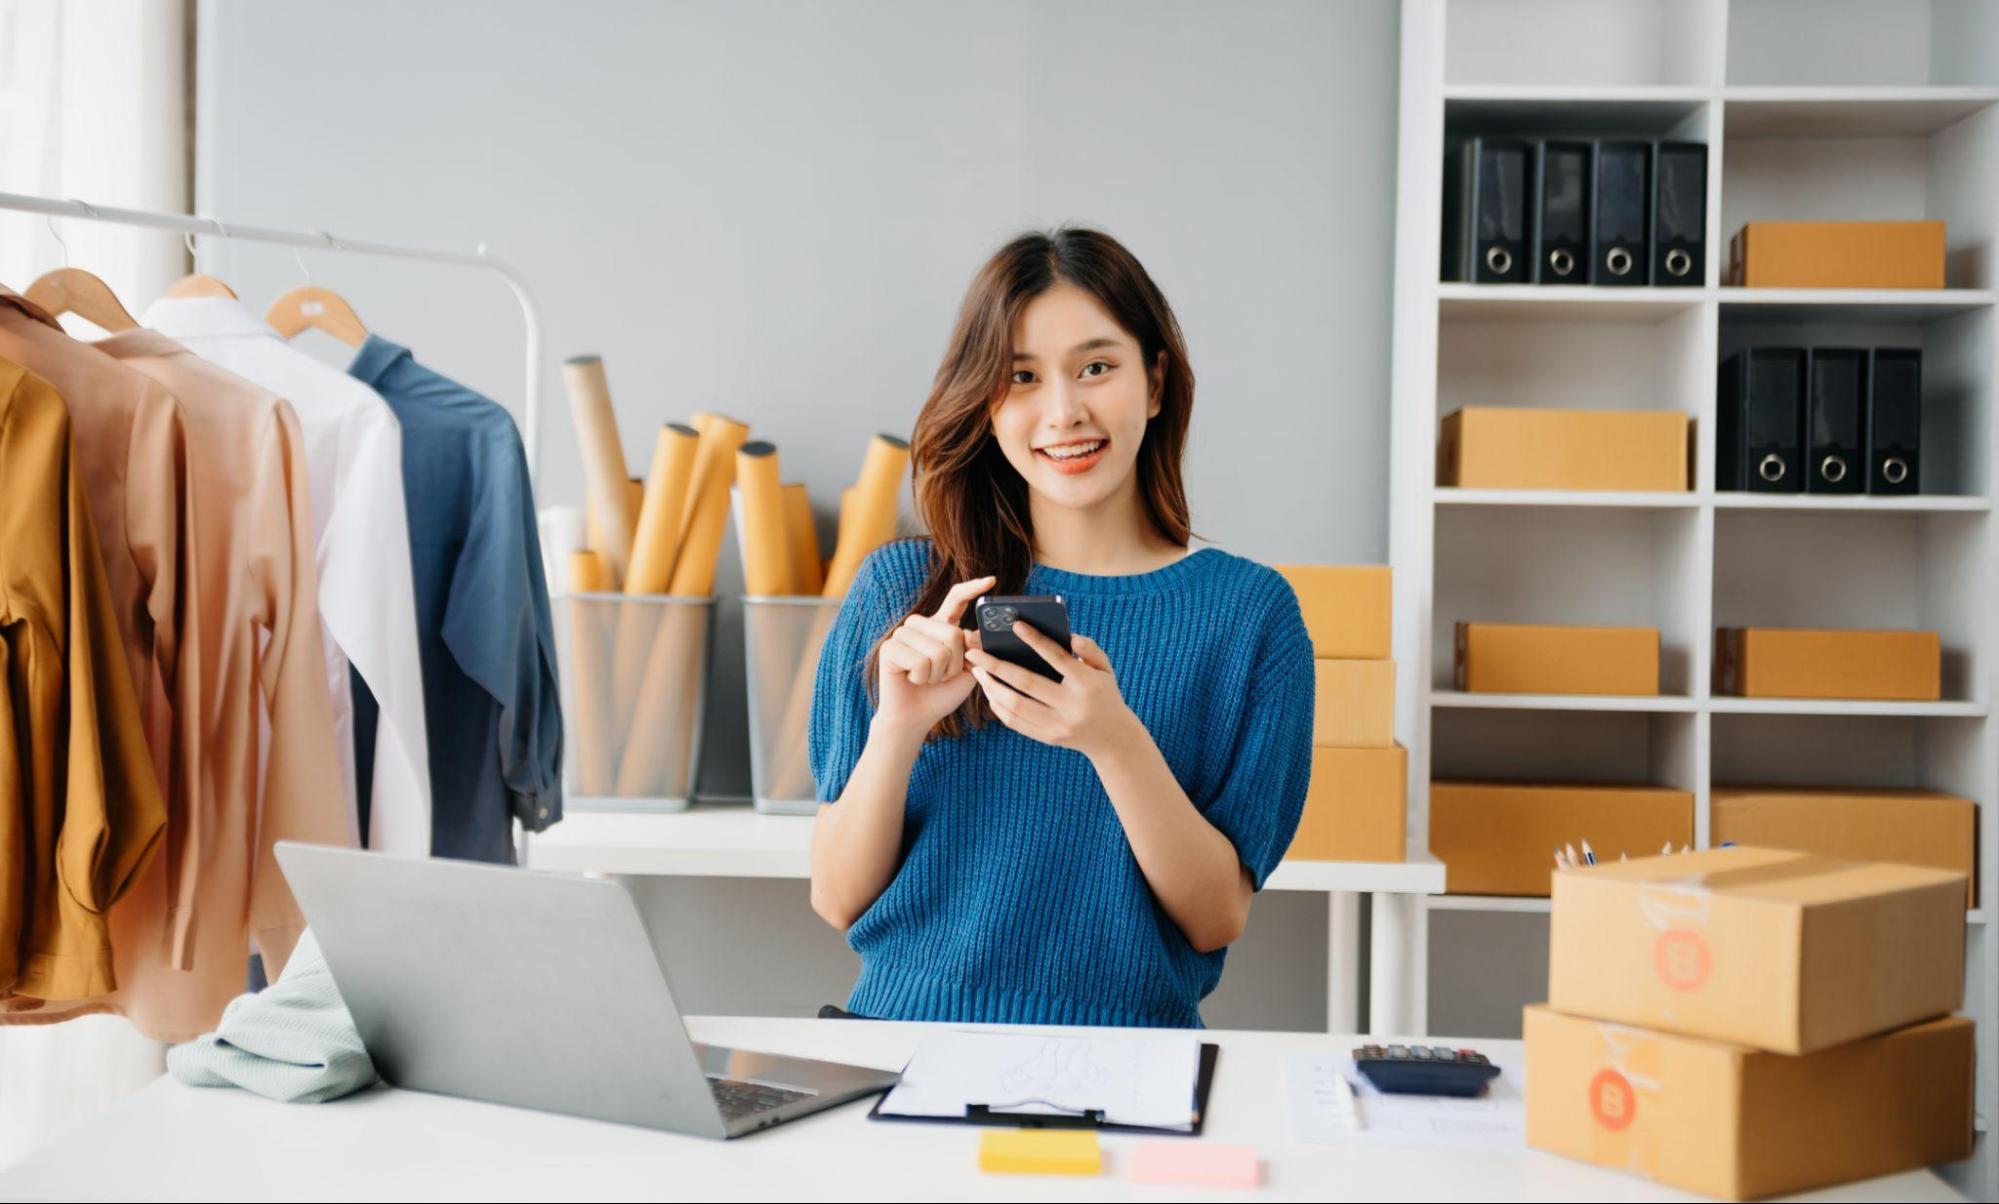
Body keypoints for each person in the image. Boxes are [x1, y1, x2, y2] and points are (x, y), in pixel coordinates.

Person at [807, 227, 1315, 1028]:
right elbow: (836, 898)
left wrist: (1113, 739)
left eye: (1096, 367)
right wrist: (898, 728)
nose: (1062, 411)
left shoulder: (1249, 615)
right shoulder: (901, 591)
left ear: (1153, 382)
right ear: (985, 401)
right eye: (1020, 377)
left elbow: (1217, 915)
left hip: (1129, 1064)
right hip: (902, 1047)